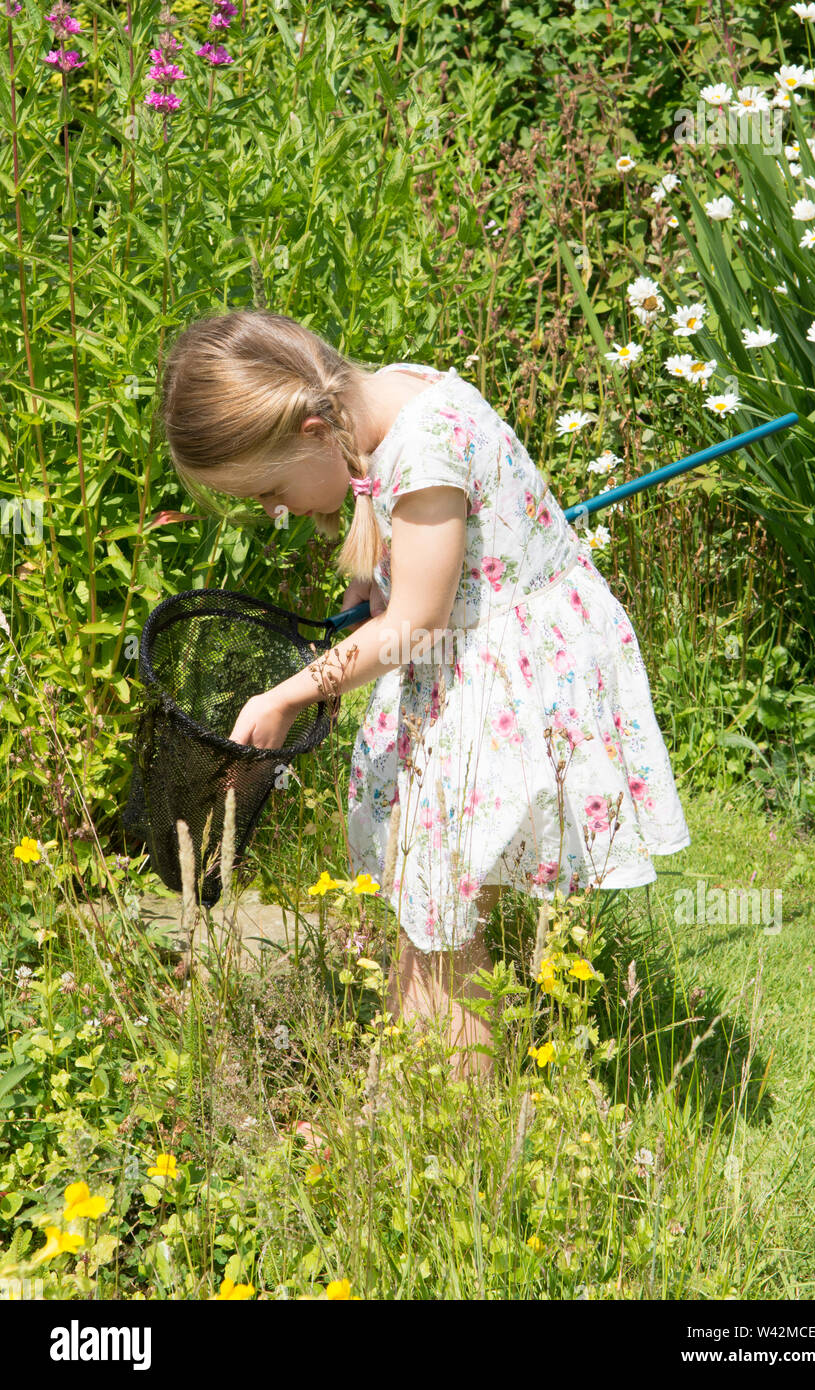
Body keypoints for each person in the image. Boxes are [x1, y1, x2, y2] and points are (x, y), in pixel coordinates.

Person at [157, 310, 691, 1081]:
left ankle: (442, 1105)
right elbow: (385, 529)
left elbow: (416, 622)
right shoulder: (389, 395)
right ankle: (433, 1070)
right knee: (440, 880)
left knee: (436, 895)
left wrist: (285, 697)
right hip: (478, 660)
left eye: (270, 490)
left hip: (505, 673)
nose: (278, 512)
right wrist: (360, 587)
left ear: (311, 428)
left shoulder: (427, 447)